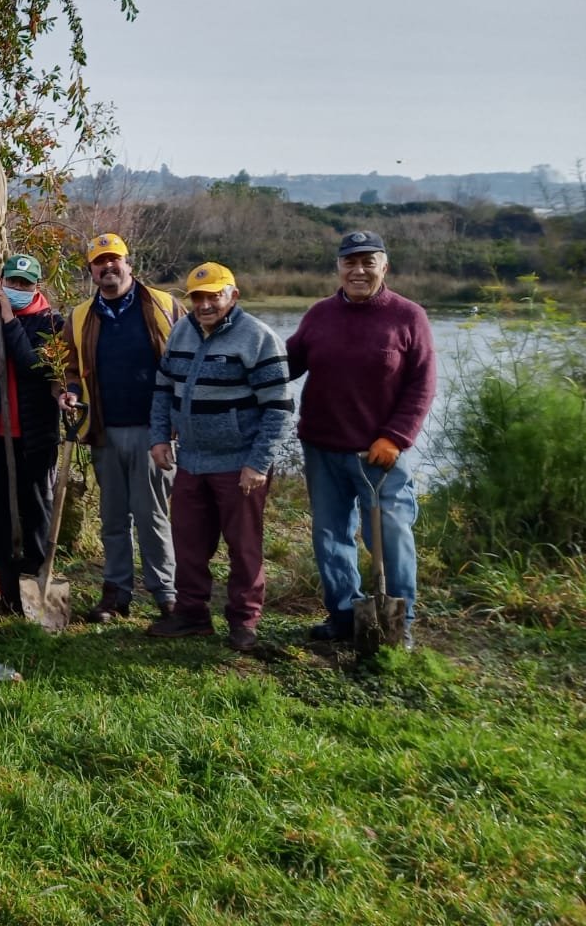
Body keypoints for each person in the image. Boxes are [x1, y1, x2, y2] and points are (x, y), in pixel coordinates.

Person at [285, 231, 435, 646]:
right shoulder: (319, 315)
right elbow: (288, 364)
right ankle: (344, 616)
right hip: (321, 448)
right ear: (338, 268)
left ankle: (396, 625)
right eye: (350, 262)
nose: (359, 270)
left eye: (368, 261)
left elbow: (422, 386)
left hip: (380, 455)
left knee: (390, 540)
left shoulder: (408, 316)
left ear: (384, 266)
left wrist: (395, 437)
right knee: (330, 537)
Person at [147, 262, 294, 651]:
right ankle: (192, 614)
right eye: (198, 297)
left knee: (244, 547)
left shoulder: (258, 338)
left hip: (238, 463)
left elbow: (278, 407)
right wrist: (159, 437)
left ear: (233, 296)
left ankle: (244, 622)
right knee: (189, 543)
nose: (206, 304)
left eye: (215, 295)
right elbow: (163, 389)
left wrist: (258, 462)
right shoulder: (181, 331)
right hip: (191, 460)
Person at [60, 232, 185, 624]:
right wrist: (67, 393)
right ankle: (116, 593)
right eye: (100, 262)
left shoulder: (165, 306)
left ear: (129, 264)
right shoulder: (80, 316)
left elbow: (189, 361)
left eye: (115, 260)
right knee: (113, 518)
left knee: (152, 516)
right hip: (103, 431)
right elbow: (67, 368)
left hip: (155, 433)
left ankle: (166, 596)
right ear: (92, 271)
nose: (108, 267)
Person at [0, 253, 65, 611]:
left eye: (25, 284)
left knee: (36, 509)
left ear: (36, 286)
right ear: (1, 281)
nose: (16, 289)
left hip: (35, 435)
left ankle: (37, 581)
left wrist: (10, 319)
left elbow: (33, 365)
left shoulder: (51, 322)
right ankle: (3, 584)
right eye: (11, 282)